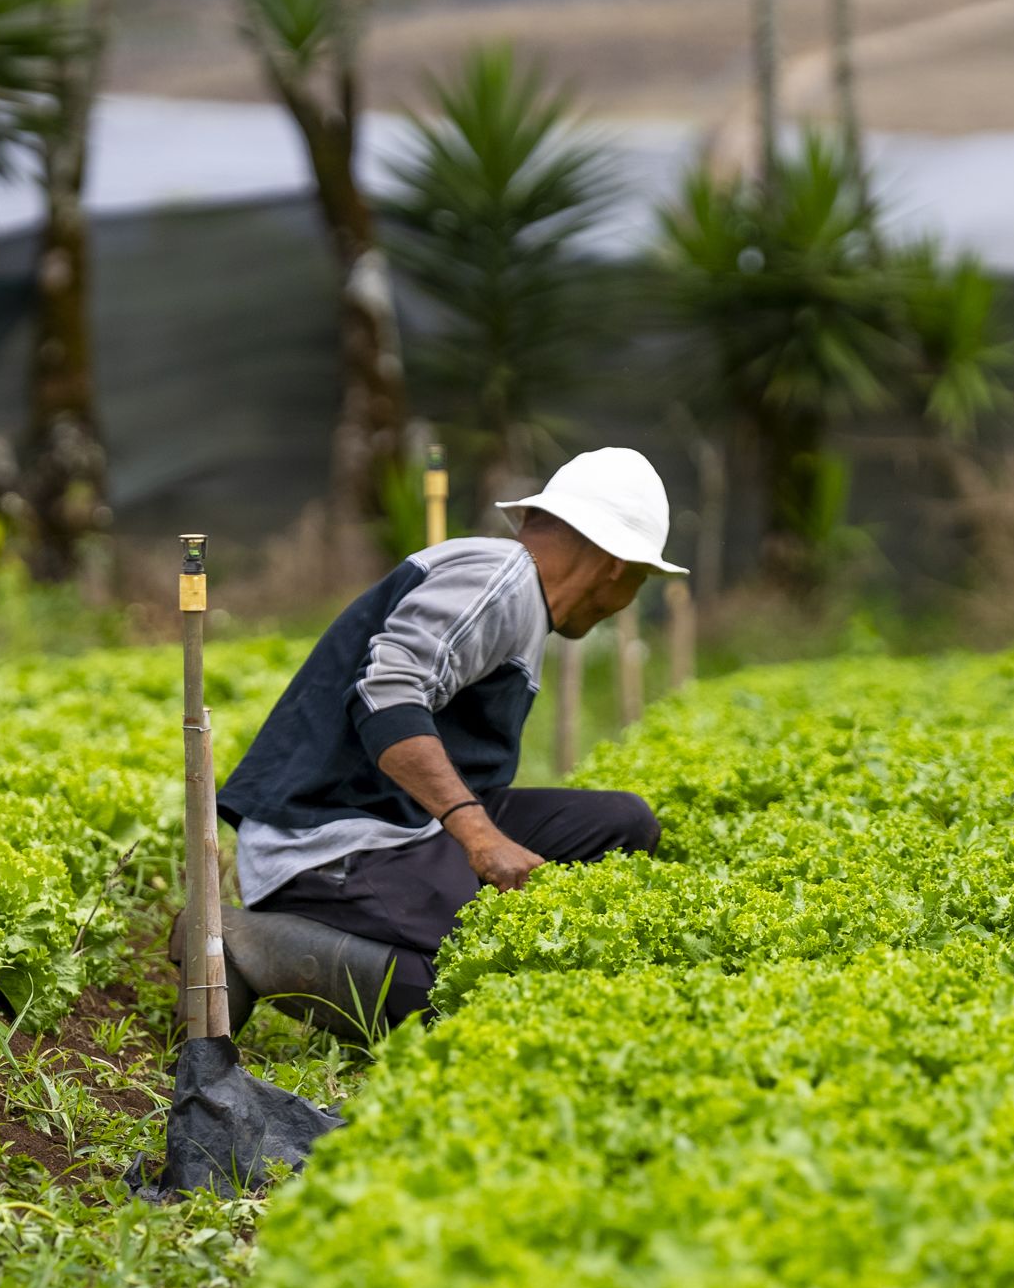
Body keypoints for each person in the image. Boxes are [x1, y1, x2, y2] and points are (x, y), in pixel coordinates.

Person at [190, 446, 682, 1040]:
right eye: (640, 578)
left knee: (621, 824)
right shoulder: (498, 580)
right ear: (614, 566)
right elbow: (387, 697)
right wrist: (480, 840)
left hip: (403, 824)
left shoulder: (518, 598)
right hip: (328, 840)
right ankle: (247, 944)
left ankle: (402, 917)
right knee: (482, 971)